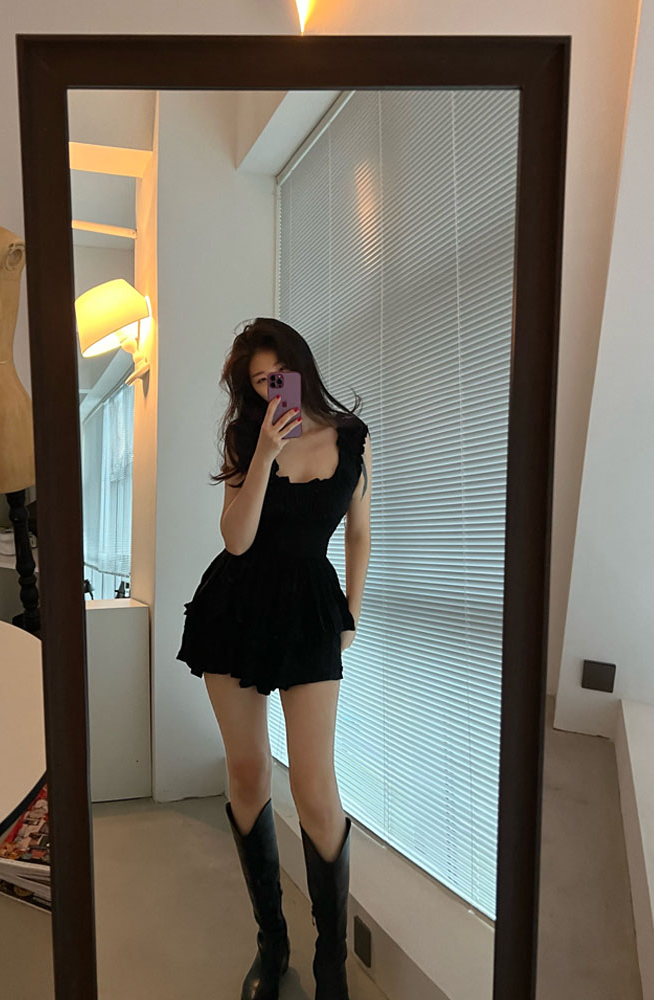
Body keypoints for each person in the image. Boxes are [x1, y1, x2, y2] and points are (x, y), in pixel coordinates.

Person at [176, 317, 372, 1000]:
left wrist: (351, 614)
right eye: (258, 382)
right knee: (249, 771)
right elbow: (236, 541)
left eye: (276, 376)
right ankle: (272, 942)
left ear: (300, 368)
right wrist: (262, 453)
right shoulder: (246, 437)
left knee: (316, 788)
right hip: (235, 607)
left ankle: (330, 967)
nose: (269, 390)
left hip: (310, 611)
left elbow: (360, 534)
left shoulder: (351, 438)